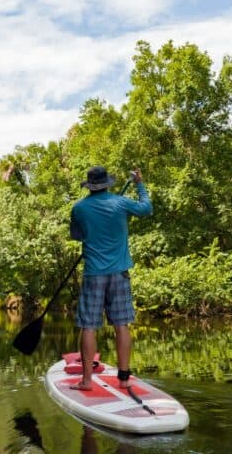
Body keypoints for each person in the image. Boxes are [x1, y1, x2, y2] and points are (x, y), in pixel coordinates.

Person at [68, 165, 152, 391]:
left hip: (94, 273)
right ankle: (124, 378)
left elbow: (77, 236)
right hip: (119, 273)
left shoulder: (79, 208)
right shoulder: (120, 203)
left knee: (88, 327)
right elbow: (146, 208)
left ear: (90, 185)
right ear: (107, 183)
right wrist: (139, 184)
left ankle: (86, 381)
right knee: (121, 325)